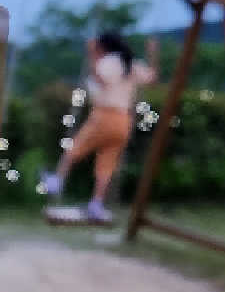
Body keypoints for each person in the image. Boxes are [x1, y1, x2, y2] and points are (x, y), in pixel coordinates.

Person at [42, 31, 160, 222]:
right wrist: (153, 52)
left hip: (105, 114)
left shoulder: (109, 61)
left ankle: (57, 181)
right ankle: (96, 204)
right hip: (124, 120)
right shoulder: (132, 64)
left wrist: (92, 56)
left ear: (103, 47)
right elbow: (153, 79)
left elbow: (101, 80)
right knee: (107, 162)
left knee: (74, 148)